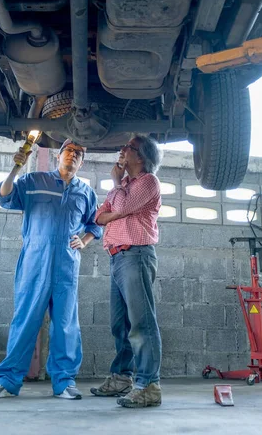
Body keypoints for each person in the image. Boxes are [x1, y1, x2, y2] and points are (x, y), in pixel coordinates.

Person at [0, 139, 102, 400]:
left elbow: (95, 224)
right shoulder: (35, 181)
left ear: (81, 162)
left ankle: (64, 382)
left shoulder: (85, 192)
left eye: (79, 153)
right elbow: (5, 196)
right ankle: (8, 380)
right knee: (26, 320)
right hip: (34, 264)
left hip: (66, 267)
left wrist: (83, 241)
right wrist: (16, 168)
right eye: (69, 151)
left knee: (65, 324)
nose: (73, 155)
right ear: (58, 156)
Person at [91, 135, 163, 408]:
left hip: (136, 255)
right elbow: (98, 217)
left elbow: (118, 208)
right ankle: (122, 377)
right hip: (117, 257)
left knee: (141, 322)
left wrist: (115, 187)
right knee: (119, 324)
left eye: (128, 148)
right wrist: (118, 201)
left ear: (141, 157)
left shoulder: (147, 182)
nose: (122, 150)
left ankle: (149, 385)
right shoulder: (124, 185)